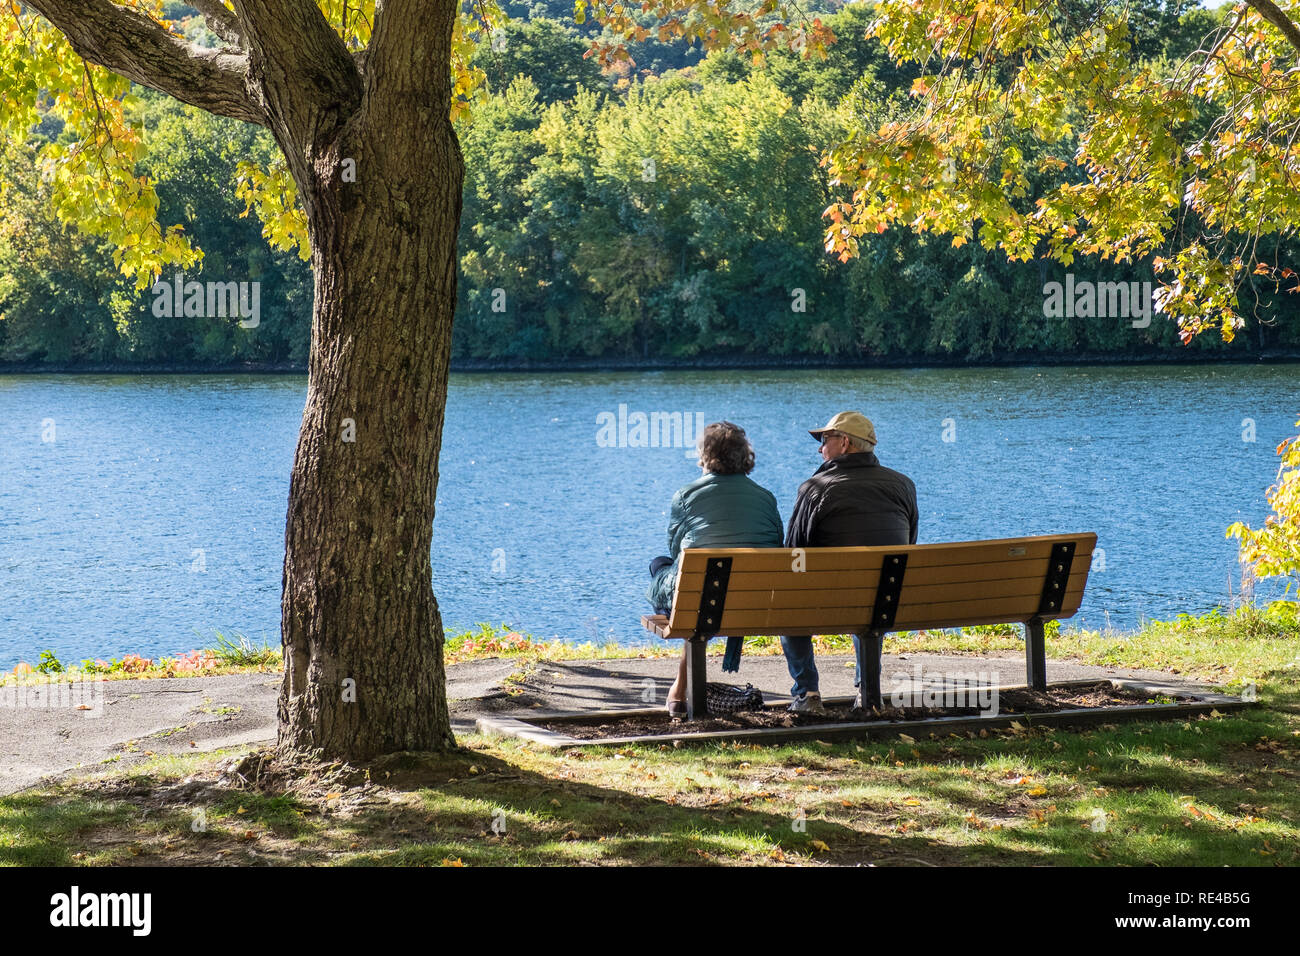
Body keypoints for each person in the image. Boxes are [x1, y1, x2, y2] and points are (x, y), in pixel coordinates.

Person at [781, 411, 918, 714]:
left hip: (829, 601)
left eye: (824, 439)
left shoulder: (815, 489)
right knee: (873, 593)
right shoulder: (903, 486)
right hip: (886, 601)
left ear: (844, 443)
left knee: (787, 605)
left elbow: (794, 556)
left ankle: (807, 694)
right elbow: (909, 545)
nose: (820, 448)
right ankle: (868, 691)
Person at [647, 421, 782, 716]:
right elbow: (777, 545)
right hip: (753, 601)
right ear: (744, 455)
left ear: (706, 454)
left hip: (700, 599)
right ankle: (680, 690)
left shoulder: (686, 496)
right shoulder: (766, 497)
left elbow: (676, 551)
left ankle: (680, 691)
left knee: (663, 566)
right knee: (706, 585)